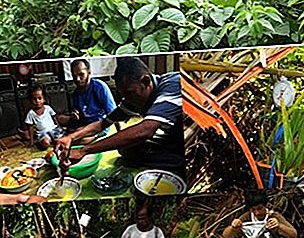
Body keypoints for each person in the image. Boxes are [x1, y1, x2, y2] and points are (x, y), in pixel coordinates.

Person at [54, 57, 185, 176]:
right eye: (122, 94)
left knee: (175, 160)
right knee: (125, 149)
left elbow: (145, 130)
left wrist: (84, 151)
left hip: (185, 139)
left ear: (145, 81)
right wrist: (70, 137)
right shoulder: (134, 97)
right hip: (169, 137)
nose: (126, 99)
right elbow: (103, 123)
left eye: (129, 93)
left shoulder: (173, 84)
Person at [222, 190, 297, 238]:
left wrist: (279, 225)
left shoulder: (274, 216)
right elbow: (226, 236)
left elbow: (293, 234)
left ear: (265, 205)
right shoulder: (247, 217)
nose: (257, 213)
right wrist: (233, 227)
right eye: (253, 210)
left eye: (259, 208)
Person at [57, 59, 116, 141]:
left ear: (89, 72)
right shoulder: (76, 93)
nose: (77, 79)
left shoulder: (99, 86)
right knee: (60, 119)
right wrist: (75, 117)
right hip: (85, 123)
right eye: (74, 76)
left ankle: (92, 137)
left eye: (81, 74)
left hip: (100, 124)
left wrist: (119, 134)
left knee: (77, 136)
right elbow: (80, 116)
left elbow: (113, 113)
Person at [101, 203, 178, 238]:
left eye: (143, 218)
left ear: (149, 218)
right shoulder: (131, 229)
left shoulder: (157, 232)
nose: (140, 221)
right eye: (138, 218)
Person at [24, 86, 65, 150]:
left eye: (39, 98)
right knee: (45, 143)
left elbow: (54, 119)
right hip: (43, 133)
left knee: (62, 141)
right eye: (34, 99)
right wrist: (31, 141)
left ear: (44, 99)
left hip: (53, 130)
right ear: (30, 100)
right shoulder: (31, 113)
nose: (37, 101)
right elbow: (30, 127)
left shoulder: (48, 108)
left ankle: (55, 140)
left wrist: (59, 127)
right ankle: (47, 141)